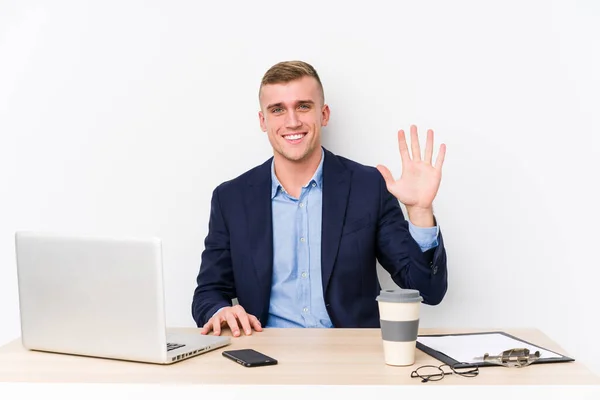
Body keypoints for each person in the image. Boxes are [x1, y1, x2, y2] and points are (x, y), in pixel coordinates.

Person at [191, 60, 447, 337]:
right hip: (265, 357)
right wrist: (221, 311)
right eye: (277, 110)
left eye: (303, 106)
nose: (292, 121)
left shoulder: (368, 187)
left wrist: (421, 212)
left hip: (352, 360)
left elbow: (428, 290)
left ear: (323, 114)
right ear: (263, 121)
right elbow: (209, 292)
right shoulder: (231, 199)